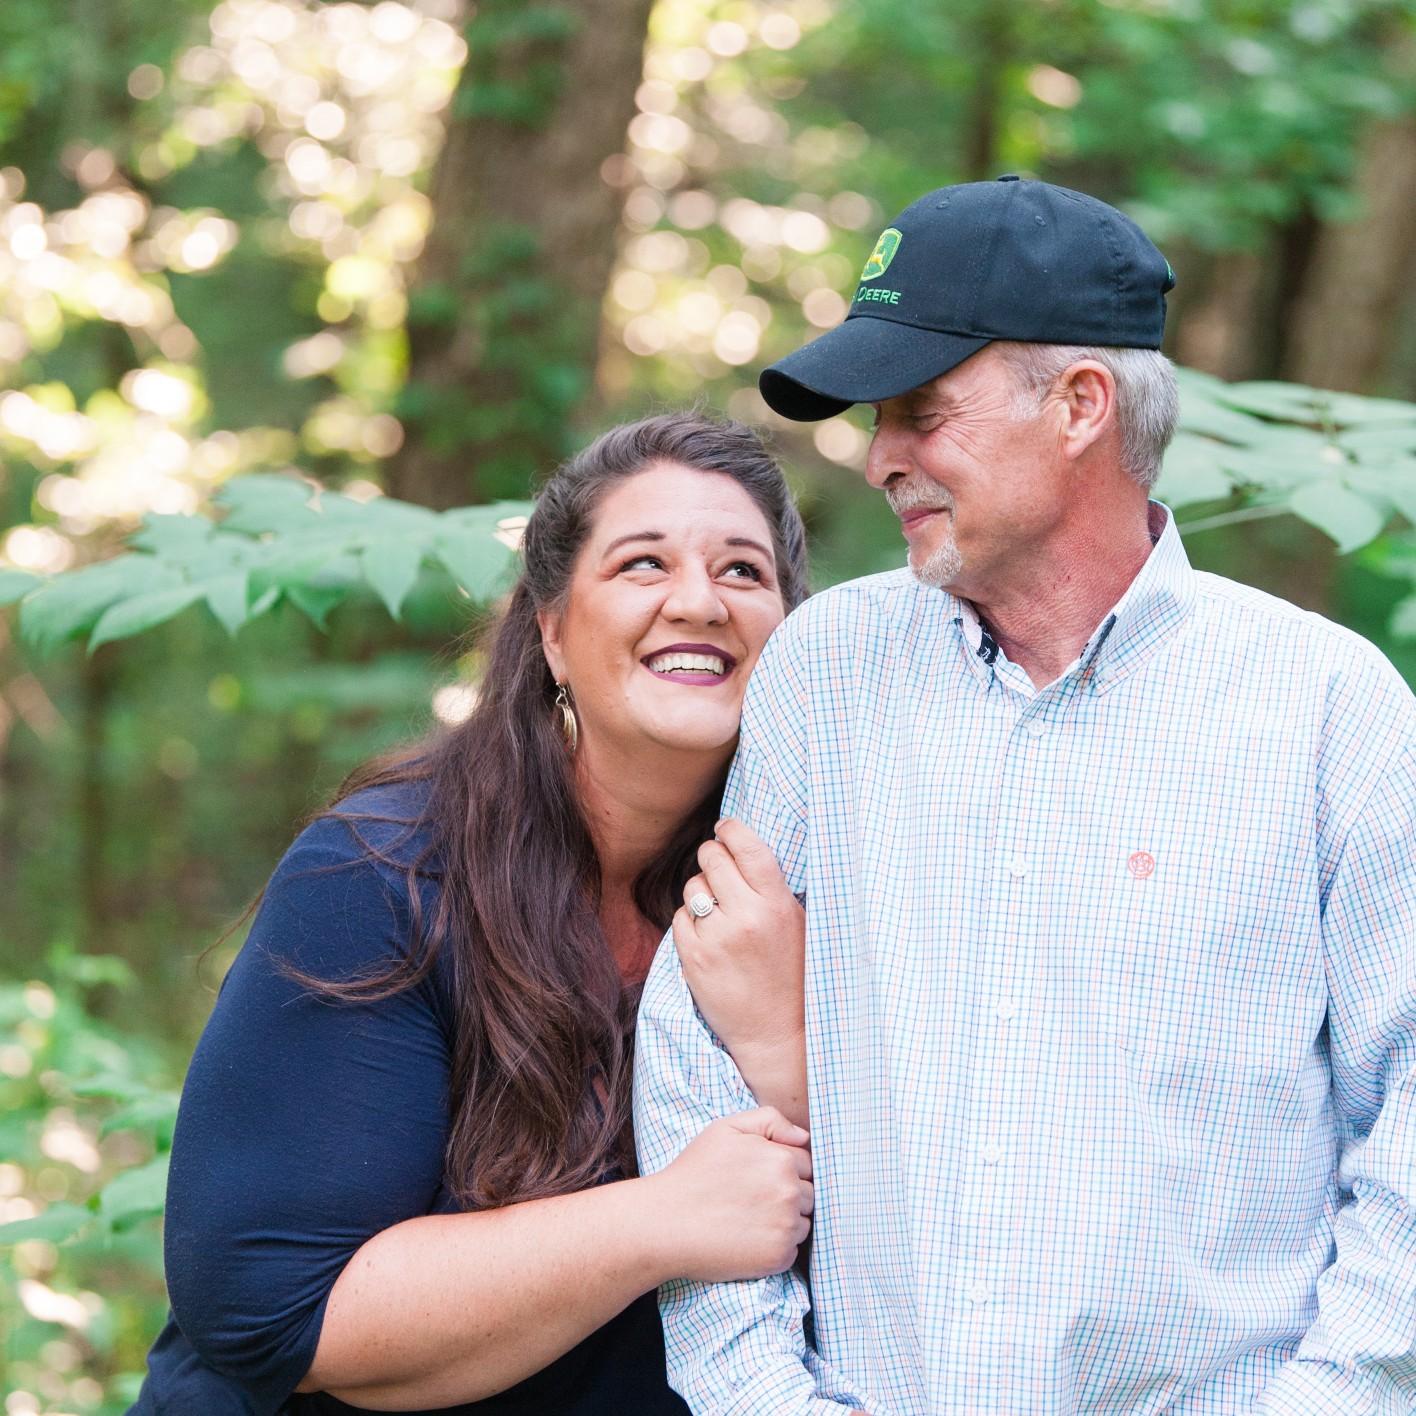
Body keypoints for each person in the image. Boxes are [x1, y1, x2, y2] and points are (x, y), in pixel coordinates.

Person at [635, 178, 1416, 1414]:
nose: (881, 457)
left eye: (923, 412)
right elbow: (698, 1066)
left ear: (1081, 406)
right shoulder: (825, 672)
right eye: (878, 420)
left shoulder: (1328, 706)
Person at [129, 411, 820, 1415]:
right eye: (642, 563)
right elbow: (278, 1313)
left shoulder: (826, 891)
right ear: (551, 631)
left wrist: (785, 1051)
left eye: (743, 571)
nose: (698, 601)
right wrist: (662, 1221)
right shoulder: (383, 873)